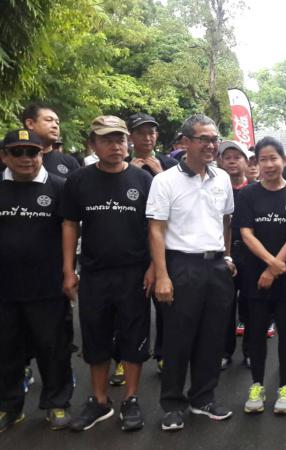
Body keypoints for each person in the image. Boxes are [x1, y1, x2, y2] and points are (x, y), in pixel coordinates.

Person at [62, 116, 154, 432]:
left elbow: (155, 227)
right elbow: (70, 224)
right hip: (94, 273)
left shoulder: (143, 180)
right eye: (107, 140)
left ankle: (131, 398)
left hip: (134, 273)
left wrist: (154, 267)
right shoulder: (78, 180)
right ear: (93, 144)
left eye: (120, 139)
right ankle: (100, 401)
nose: (115, 146)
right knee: (95, 336)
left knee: (134, 336)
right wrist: (68, 270)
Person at [147, 114, 236, 431]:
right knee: (178, 339)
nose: (211, 145)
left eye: (214, 139)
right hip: (181, 265)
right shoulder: (165, 181)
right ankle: (172, 404)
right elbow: (156, 229)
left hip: (216, 267)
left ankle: (203, 398)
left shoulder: (221, 178)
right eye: (204, 139)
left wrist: (227, 255)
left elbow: (226, 220)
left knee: (212, 337)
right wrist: (162, 275)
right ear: (186, 142)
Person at [0, 130, 74, 432]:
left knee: (53, 348)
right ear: (5, 156)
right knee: (6, 349)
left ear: (42, 154)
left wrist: (69, 273)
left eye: (32, 152)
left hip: (47, 287)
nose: (25, 159)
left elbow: (70, 233)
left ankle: (57, 403)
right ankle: (9, 406)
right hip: (4, 288)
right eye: (17, 152)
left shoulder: (59, 187)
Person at [234, 136, 286, 415]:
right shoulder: (248, 195)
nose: (269, 164)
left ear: (284, 160)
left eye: (274, 158)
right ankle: (257, 385)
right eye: (263, 159)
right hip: (255, 276)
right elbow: (246, 233)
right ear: (257, 163)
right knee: (256, 333)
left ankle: (285, 387)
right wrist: (271, 263)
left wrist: (275, 267)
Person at [124, 112, 179, 377]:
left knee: (166, 306)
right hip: (131, 244)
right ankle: (123, 357)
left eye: (152, 132)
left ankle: (165, 354)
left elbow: (182, 202)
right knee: (129, 309)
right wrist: (130, 173)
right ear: (130, 137)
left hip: (164, 243)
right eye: (141, 133)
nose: (147, 138)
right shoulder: (122, 165)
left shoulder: (170, 164)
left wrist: (160, 174)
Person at [218, 140, 254, 370]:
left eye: (237, 157)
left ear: (246, 161)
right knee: (224, 306)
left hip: (251, 255)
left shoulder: (256, 189)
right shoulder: (215, 189)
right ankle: (224, 351)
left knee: (251, 306)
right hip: (223, 255)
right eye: (227, 157)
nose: (232, 161)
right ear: (220, 161)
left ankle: (251, 351)